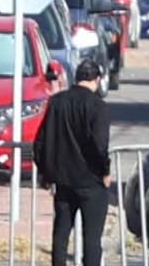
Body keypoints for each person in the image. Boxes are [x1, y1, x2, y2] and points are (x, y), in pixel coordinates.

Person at [33, 59, 112, 266]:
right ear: (96, 80)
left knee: (60, 236)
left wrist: (45, 172)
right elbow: (99, 146)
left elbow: (40, 141)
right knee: (92, 240)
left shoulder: (57, 102)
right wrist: (105, 171)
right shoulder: (98, 107)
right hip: (91, 182)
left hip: (63, 181)